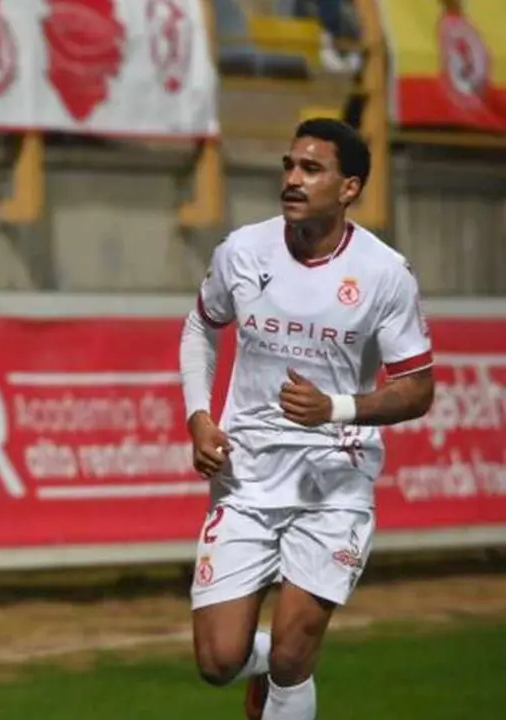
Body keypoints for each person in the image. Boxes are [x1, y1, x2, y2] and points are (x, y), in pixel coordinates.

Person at [179, 117, 436, 720]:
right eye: (289, 166)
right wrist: (198, 415)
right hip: (246, 478)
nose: (293, 180)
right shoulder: (243, 251)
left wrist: (337, 409)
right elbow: (200, 327)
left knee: (295, 653)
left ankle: (287, 682)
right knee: (218, 661)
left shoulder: (383, 273)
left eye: (311, 169)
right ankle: (268, 673)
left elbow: (417, 388)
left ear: (349, 188)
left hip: (334, 482)